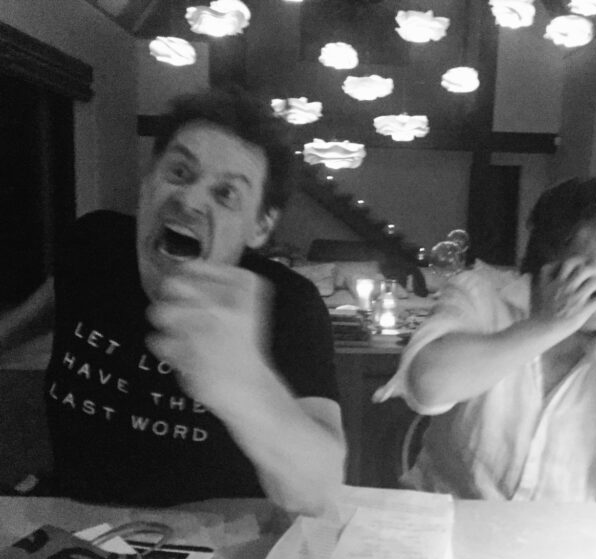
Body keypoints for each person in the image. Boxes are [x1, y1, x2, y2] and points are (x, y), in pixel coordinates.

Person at [0, 88, 345, 515]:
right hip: (76, 529)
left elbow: (318, 490)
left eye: (226, 194)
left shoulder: (289, 304)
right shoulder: (93, 243)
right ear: (148, 181)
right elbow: (45, 309)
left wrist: (244, 385)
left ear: (259, 227)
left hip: (220, 541)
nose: (189, 200)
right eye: (180, 172)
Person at [375, 176, 596, 502]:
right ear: (557, 243)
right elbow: (429, 386)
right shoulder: (482, 295)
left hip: (554, 538)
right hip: (446, 523)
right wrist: (551, 325)